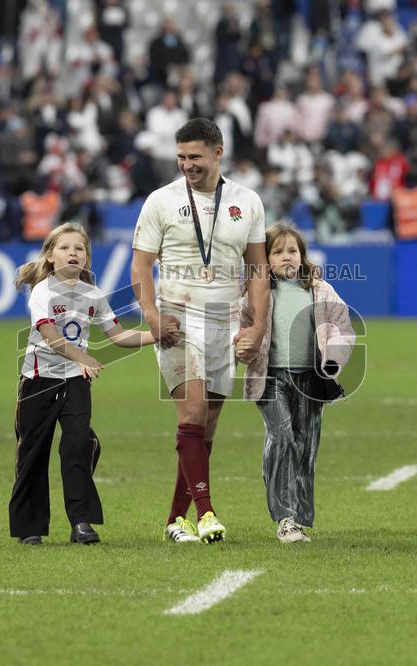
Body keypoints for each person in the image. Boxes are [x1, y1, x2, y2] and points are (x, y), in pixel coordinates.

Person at [130, 118, 269, 544]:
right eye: (180, 157)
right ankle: (207, 513)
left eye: (194, 156)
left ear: (217, 152)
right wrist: (153, 316)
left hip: (225, 321)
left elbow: (258, 268)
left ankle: (175, 519)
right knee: (190, 414)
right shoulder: (160, 200)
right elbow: (140, 268)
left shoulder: (247, 201)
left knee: (205, 429)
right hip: (177, 318)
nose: (186, 164)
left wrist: (258, 326)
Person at [9, 223, 156, 545]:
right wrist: (82, 358)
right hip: (39, 381)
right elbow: (49, 336)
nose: (73, 252)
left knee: (77, 446)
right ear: (50, 256)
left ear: (87, 257)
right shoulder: (42, 291)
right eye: (64, 247)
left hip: (76, 381)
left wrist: (157, 336)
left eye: (79, 248)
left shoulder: (93, 295)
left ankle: (82, 523)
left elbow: (118, 335)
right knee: (33, 452)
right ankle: (29, 527)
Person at [238, 224, 355, 543]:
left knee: (305, 445)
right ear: (265, 259)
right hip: (269, 377)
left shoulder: (321, 290)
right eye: (277, 252)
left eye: (292, 251)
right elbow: (241, 327)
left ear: (303, 256)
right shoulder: (256, 291)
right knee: (282, 436)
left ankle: (299, 519)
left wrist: (332, 359)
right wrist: (241, 346)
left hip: (310, 380)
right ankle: (285, 517)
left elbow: (341, 327)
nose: (286, 257)